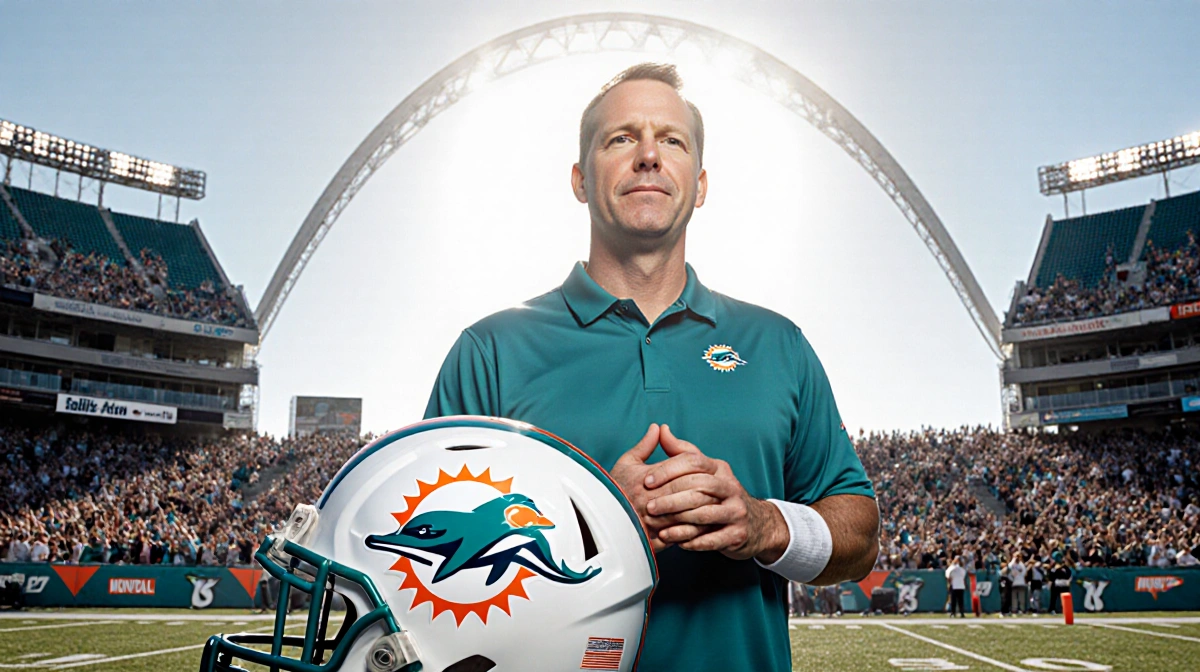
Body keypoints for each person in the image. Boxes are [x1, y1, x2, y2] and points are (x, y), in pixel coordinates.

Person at [425, 62, 879, 671]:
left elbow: (860, 537)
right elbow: (427, 575)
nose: (648, 156)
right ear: (580, 180)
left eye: (672, 140)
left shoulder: (778, 344)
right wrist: (596, 524)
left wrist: (764, 524)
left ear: (701, 184)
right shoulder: (491, 351)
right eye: (621, 138)